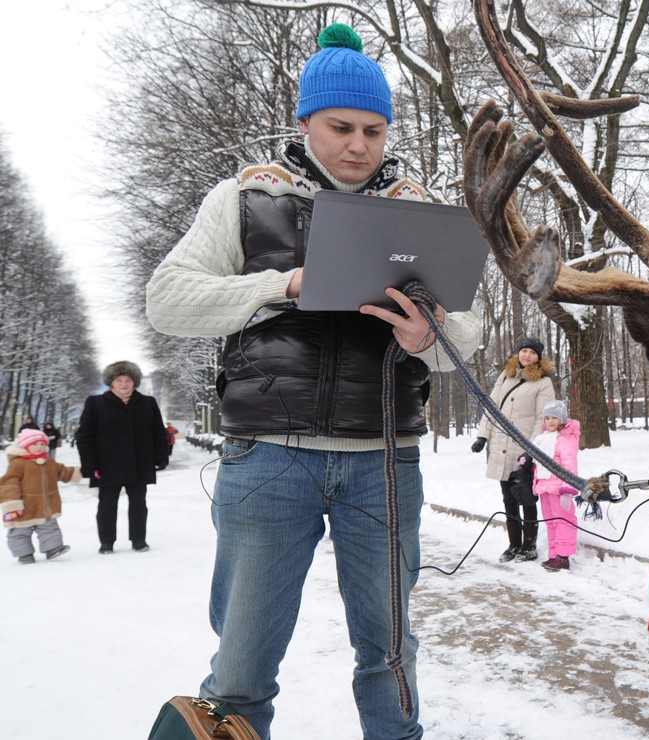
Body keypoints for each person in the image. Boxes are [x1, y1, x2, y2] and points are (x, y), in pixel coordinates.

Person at [144, 22, 480, 739]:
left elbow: (469, 343)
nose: (359, 145)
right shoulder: (243, 199)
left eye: (373, 130)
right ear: (304, 121)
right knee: (241, 665)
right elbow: (166, 299)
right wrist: (283, 283)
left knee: (389, 654)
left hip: (384, 463)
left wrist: (430, 338)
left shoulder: (419, 211)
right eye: (340, 127)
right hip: (268, 459)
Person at [471, 337, 556, 563]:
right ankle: (513, 544)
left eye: (532, 352)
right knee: (508, 499)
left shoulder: (543, 383)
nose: (527, 355)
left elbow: (542, 418)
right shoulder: (506, 376)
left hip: (523, 448)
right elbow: (491, 406)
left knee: (526, 497)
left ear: (539, 357)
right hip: (500, 446)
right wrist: (482, 435)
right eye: (524, 350)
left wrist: (531, 450)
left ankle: (529, 547)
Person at [75, 361, 171, 555]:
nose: (124, 384)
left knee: (139, 504)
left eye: (128, 380)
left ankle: (139, 540)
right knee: (107, 505)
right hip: (107, 466)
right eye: (119, 380)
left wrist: (162, 457)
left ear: (134, 382)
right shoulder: (96, 403)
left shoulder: (147, 403)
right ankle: (107, 542)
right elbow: (85, 437)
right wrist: (89, 465)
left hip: (140, 463)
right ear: (111, 383)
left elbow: (159, 433)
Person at [1, 429, 80, 564]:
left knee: (49, 527)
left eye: (42, 444)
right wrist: (12, 502)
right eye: (35, 444)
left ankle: (53, 548)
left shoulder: (49, 462)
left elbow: (63, 472)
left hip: (45, 505)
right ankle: (24, 554)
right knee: (20, 531)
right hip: (23, 506)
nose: (39, 447)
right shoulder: (18, 463)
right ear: (25, 446)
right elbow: (9, 483)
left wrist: (82, 472)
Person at [530, 400, 581, 571]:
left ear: (562, 419)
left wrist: (568, 489)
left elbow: (569, 465)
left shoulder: (565, 439)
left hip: (559, 488)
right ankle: (554, 554)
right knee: (550, 521)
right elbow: (537, 460)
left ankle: (563, 556)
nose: (550, 421)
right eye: (547, 418)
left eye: (554, 418)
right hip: (544, 486)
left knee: (563, 520)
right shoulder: (543, 438)